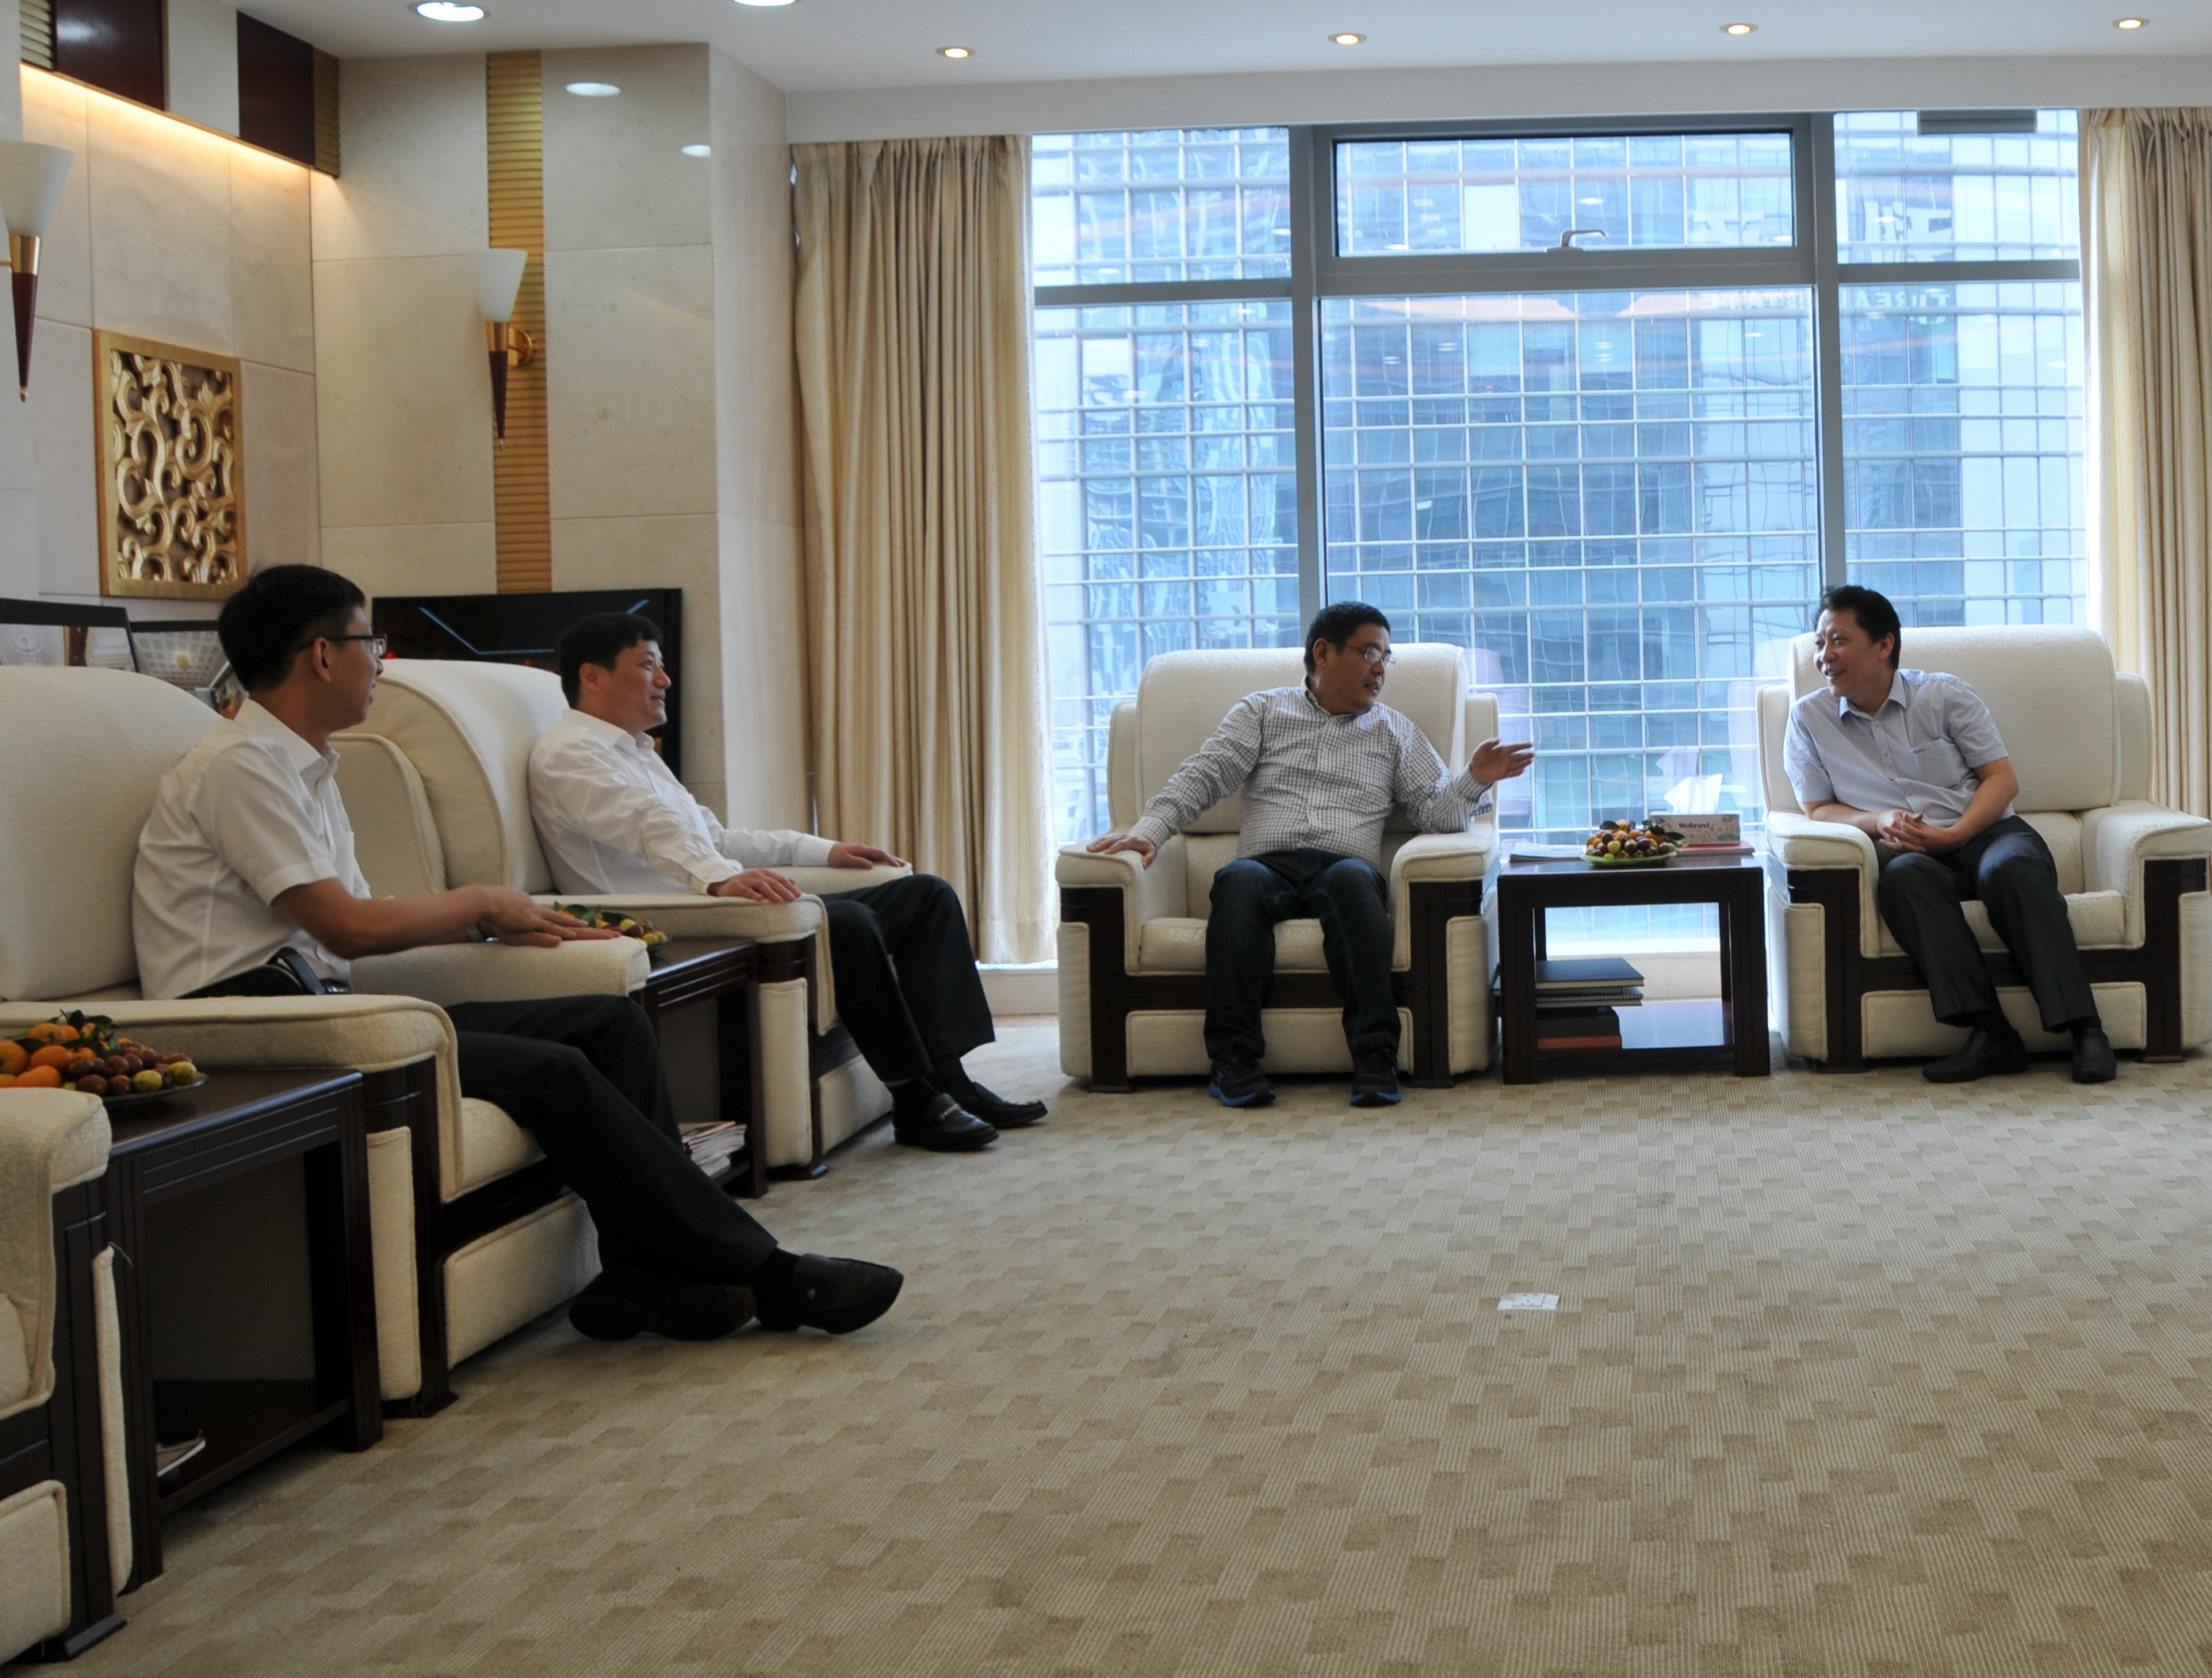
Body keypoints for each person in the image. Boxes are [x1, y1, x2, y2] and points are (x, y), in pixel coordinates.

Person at [133, 566, 901, 1344]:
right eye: (372, 642)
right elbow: (346, 928)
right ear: (324, 655)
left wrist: (503, 924)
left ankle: (641, 1275)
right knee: (555, 1070)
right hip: (252, 1020)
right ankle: (771, 1274)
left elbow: (357, 924)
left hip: (331, 1004)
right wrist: (479, 901)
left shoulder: (308, 765)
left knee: (608, 1023)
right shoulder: (242, 766)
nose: (381, 662)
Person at [529, 611, 1039, 1156]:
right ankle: (914, 1100)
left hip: (714, 901)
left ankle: (950, 1081)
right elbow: (647, 825)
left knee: (925, 896)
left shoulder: (637, 753)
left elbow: (716, 837)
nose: (665, 680)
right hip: (673, 919)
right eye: (647, 665)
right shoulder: (569, 754)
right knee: (846, 922)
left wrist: (824, 850)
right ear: (592, 676)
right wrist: (720, 879)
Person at [1082, 603, 1533, 1108]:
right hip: (1266, 864)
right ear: (1323, 652)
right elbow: (1203, 776)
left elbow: (1437, 814)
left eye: (1386, 657)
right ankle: (1233, 1060)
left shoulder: (1395, 731)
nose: (1381, 669)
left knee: (1353, 882)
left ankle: (1375, 1056)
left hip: (1344, 864)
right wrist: (1148, 831)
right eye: (1370, 653)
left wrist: (1474, 779)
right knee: (1238, 880)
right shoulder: (1262, 711)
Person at [1786, 586, 2118, 1086]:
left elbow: (2001, 780)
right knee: (1903, 879)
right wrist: (1878, 819)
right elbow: (1817, 808)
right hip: (1907, 849)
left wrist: (1956, 834)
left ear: (1883, 645)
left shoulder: (1943, 694)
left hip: (1988, 832)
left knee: (2012, 868)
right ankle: (1992, 1034)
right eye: (1819, 643)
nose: (1824, 656)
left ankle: (2086, 1028)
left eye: (1838, 641)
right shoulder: (1809, 719)